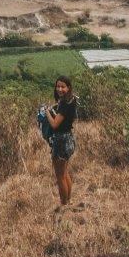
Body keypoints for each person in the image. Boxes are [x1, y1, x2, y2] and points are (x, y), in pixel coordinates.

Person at [41, 75, 77, 206]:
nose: (60, 89)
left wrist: (47, 113)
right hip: (69, 138)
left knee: (60, 175)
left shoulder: (64, 104)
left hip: (61, 141)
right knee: (64, 172)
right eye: (58, 86)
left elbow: (55, 124)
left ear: (69, 87)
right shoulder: (71, 100)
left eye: (63, 86)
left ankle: (64, 205)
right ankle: (68, 201)